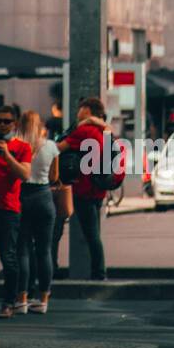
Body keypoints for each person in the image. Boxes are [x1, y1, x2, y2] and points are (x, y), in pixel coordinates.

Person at [53, 97, 114, 281]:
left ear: (87, 110)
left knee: (88, 234)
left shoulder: (84, 131)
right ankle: (98, 272)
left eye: (80, 109)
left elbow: (58, 148)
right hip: (99, 188)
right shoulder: (104, 131)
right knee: (93, 233)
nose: (77, 112)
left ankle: (98, 274)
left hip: (82, 189)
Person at [0, 105, 32, 317]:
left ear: (14, 124)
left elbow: (24, 174)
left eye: (6, 121)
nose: (2, 125)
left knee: (8, 258)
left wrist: (6, 154)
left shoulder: (22, 147)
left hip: (9, 210)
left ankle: (9, 302)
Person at [13, 111, 59, 314]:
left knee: (22, 250)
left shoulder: (15, 145)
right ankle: (43, 300)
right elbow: (55, 175)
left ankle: (22, 298)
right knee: (44, 250)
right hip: (44, 196)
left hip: (22, 195)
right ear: (39, 124)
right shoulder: (50, 146)